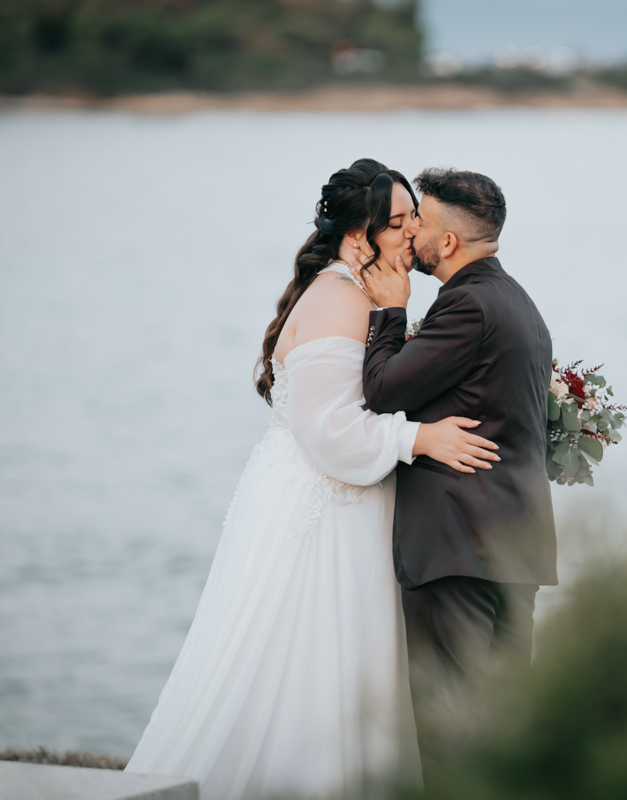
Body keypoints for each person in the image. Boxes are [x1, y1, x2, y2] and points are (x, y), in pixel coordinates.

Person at [124, 159, 501, 800]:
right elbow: (329, 433)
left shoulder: (364, 294)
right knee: (309, 668)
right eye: (399, 222)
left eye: (414, 218)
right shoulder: (340, 300)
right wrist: (419, 438)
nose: (413, 232)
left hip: (343, 505)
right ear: (358, 235)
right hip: (324, 514)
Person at [355, 168, 558, 788]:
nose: (410, 229)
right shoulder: (521, 303)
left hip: (456, 552)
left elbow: (382, 389)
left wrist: (390, 312)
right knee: (503, 735)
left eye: (420, 220)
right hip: (513, 551)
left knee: (452, 740)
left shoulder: (466, 303)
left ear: (447, 244)